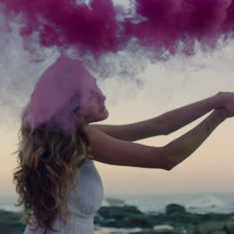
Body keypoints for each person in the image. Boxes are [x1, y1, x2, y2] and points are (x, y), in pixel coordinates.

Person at [13, 56, 233, 234]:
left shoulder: (74, 137)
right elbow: (166, 158)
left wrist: (215, 101)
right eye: (91, 94)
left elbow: (159, 125)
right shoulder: (80, 139)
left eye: (97, 87)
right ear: (71, 106)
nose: (103, 95)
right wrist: (219, 116)